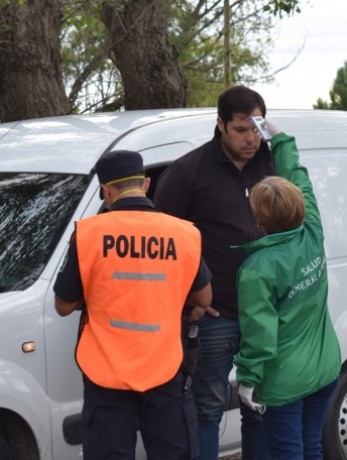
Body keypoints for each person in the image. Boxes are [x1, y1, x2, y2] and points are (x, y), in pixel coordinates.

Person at [53, 149, 213, 460]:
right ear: (146, 184)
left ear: (106, 191)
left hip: (105, 372)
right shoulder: (183, 233)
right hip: (164, 367)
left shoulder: (89, 234)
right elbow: (204, 298)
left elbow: (63, 304)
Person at [153, 85, 273, 459]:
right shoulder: (188, 172)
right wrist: (190, 298)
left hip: (264, 314)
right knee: (207, 409)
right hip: (213, 315)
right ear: (220, 125)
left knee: (261, 408)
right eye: (241, 129)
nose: (251, 138)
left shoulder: (272, 165)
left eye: (257, 128)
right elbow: (163, 243)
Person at [233, 120, 341, 460]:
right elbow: (300, 179)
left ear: (260, 221)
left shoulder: (257, 269)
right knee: (311, 446)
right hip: (324, 367)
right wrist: (280, 140)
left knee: (287, 451)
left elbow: (260, 335)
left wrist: (247, 379)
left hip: (284, 381)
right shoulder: (312, 232)